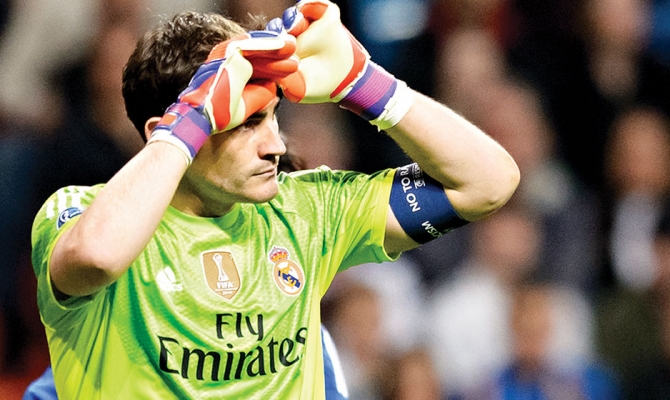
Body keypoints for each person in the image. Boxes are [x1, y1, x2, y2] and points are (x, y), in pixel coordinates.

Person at [30, 1, 519, 398]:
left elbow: (488, 184)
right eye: (244, 123)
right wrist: (189, 124)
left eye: (271, 115)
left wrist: (368, 84)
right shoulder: (78, 212)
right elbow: (96, 257)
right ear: (168, 132)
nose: (275, 146)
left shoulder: (308, 210)